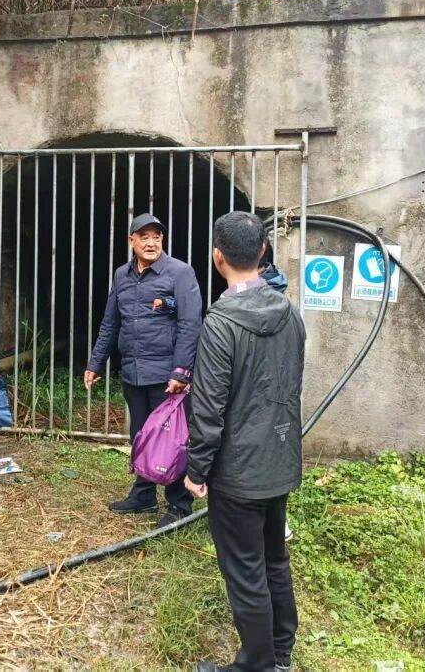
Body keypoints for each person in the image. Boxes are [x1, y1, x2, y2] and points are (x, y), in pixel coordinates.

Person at [185, 211, 306, 672]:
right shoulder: (289, 314)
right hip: (278, 460)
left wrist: (197, 469)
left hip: (237, 472)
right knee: (274, 558)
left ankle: (256, 664)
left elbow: (208, 407)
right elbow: (290, 384)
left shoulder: (221, 323)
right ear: (263, 252)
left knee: (245, 570)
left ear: (218, 257)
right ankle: (280, 652)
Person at [85, 212, 203, 527]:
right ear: (132, 241)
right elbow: (110, 322)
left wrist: (181, 371)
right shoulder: (121, 275)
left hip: (167, 377)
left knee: (173, 438)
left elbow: (191, 324)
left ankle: (179, 503)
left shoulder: (180, 273)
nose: (151, 243)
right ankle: (144, 493)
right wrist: (96, 363)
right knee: (140, 434)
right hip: (133, 372)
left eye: (156, 237)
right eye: (144, 237)